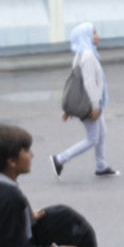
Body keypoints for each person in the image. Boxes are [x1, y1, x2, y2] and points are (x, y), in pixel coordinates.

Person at [51, 22, 118, 178]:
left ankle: (101, 166)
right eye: (93, 33)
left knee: (102, 133)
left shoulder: (83, 54)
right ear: (85, 36)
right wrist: (95, 107)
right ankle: (60, 159)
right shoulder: (87, 56)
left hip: (92, 102)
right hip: (89, 104)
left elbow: (77, 83)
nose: (97, 36)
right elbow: (88, 83)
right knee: (92, 139)